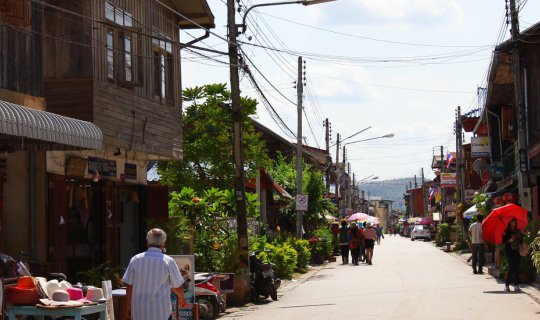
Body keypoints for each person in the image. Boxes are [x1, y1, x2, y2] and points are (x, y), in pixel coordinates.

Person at [123, 228, 189, 320]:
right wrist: (182, 299)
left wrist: (128, 306)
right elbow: (177, 286)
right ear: (163, 243)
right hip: (161, 314)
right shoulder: (168, 261)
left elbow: (129, 285)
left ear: (148, 242)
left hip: (139, 312)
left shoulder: (135, 260)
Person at [502, 218, 523, 292]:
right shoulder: (506, 231)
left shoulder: (518, 231)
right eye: (512, 221)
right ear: (510, 222)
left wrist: (520, 237)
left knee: (517, 267)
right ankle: (506, 285)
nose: (514, 223)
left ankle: (516, 285)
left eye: (515, 222)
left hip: (517, 251)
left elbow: (521, 241)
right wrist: (509, 240)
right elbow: (503, 241)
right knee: (511, 267)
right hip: (509, 251)